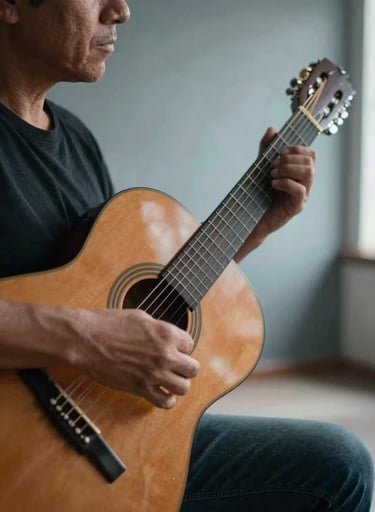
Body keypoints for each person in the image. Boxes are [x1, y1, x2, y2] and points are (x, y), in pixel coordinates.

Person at [0, 1, 373, 511]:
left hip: (104, 425)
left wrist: (258, 226)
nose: (121, 11)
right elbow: (99, 329)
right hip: (15, 444)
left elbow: (130, 295)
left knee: (340, 464)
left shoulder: (76, 141)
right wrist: (85, 339)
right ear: (12, 5)